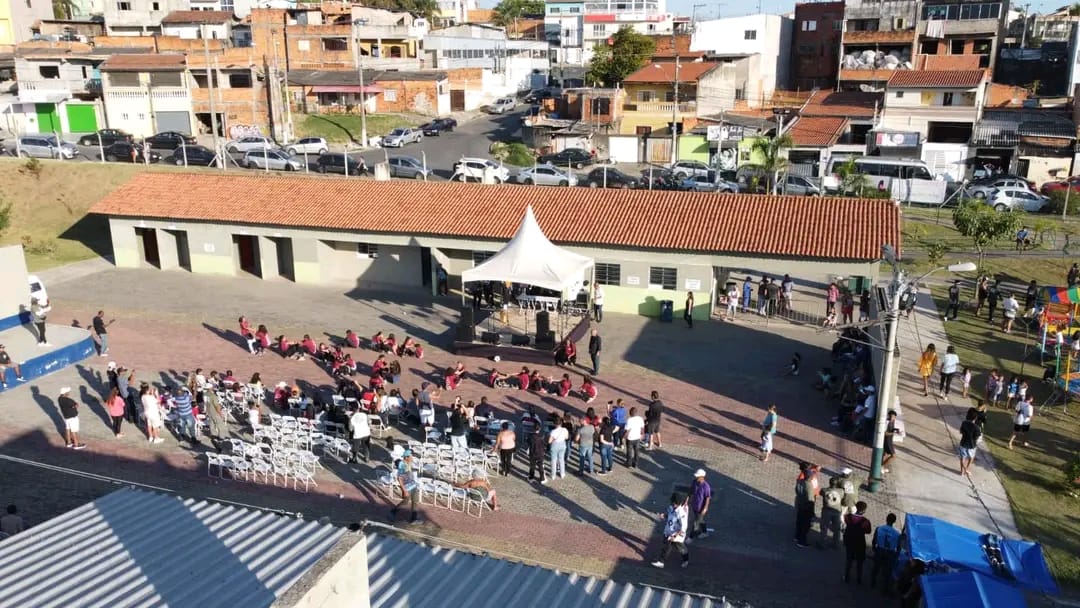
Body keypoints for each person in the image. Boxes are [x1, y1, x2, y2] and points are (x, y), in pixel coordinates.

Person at [651, 492, 690, 569]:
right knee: (666, 546)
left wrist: (675, 535)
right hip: (669, 531)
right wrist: (664, 516)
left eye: (674, 503)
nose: (673, 505)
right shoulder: (671, 508)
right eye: (673, 503)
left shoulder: (681, 513)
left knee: (680, 548)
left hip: (676, 534)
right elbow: (670, 515)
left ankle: (686, 560)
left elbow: (683, 527)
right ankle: (661, 561)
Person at [870, 513, 902, 591]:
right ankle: (885, 587)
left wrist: (874, 548)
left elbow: (874, 540)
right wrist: (896, 555)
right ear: (894, 521)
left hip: (880, 550)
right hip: (890, 552)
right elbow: (898, 547)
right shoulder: (897, 533)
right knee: (888, 570)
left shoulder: (879, 528)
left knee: (876, 567)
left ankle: (873, 582)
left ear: (886, 519)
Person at [843, 501, 872, 584]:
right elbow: (868, 531)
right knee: (860, 562)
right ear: (864, 511)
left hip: (849, 541)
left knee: (849, 560)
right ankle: (859, 578)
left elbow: (846, 522)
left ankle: (846, 576)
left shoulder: (847, 517)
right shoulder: (865, 521)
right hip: (860, 543)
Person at [390, 450, 421, 523]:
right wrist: (404, 491)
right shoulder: (402, 466)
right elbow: (399, 479)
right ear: (407, 457)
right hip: (407, 488)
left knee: (415, 501)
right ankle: (393, 511)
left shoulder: (408, 463)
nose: (412, 457)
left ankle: (414, 519)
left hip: (413, 485)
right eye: (411, 456)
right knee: (405, 502)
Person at [793, 462, 816, 547]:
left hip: (800, 504)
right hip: (806, 508)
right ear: (809, 477)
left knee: (799, 522)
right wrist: (812, 512)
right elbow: (810, 500)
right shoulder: (809, 486)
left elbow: (796, 491)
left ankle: (797, 536)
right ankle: (801, 541)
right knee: (805, 525)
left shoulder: (799, 481)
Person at [819, 476, 844, 549]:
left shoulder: (824, 490)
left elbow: (821, 493)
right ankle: (836, 544)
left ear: (829, 483)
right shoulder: (841, 491)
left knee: (824, 527)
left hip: (827, 511)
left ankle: (822, 543)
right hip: (837, 511)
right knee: (837, 529)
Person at [688, 469, 712, 540]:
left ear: (702, 477)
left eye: (698, 476)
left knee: (695, 523)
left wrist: (705, 508)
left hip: (701, 508)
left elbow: (707, 498)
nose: (696, 478)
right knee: (700, 520)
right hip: (695, 506)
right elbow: (691, 490)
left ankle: (690, 537)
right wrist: (687, 500)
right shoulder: (694, 482)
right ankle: (704, 532)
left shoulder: (706, 486)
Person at [545, 415, 569, 483]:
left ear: (554, 423)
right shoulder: (565, 430)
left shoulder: (553, 431)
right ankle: (562, 473)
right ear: (561, 423)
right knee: (561, 459)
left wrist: (553, 440)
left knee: (553, 460)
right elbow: (566, 438)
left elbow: (549, 441)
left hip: (555, 445)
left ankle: (553, 475)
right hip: (562, 445)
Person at [959, 408, 982, 476]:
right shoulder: (977, 427)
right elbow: (977, 437)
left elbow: (961, 431)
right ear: (975, 417)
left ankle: (962, 472)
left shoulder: (964, 423)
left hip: (963, 443)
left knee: (963, 457)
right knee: (971, 457)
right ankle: (967, 469)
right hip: (972, 445)